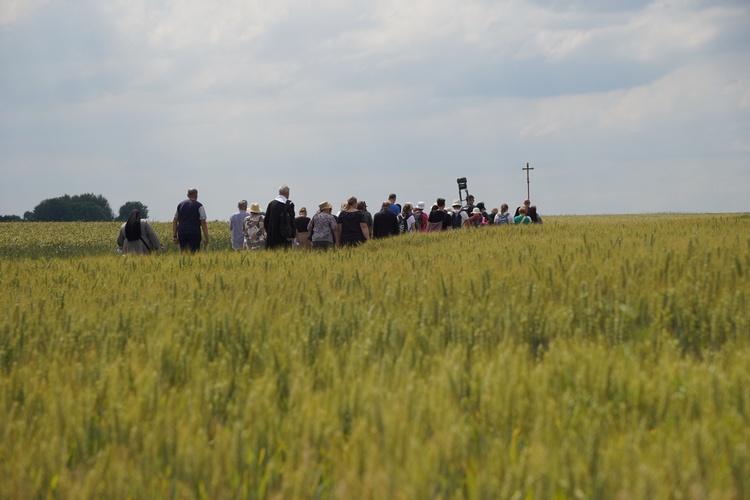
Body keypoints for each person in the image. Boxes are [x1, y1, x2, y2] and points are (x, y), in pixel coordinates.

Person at [172, 188, 209, 253]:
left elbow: (175, 221)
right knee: (194, 253)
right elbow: (203, 222)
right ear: (196, 195)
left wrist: (174, 236)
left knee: (184, 252)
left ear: (188, 195)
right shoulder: (199, 205)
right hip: (194, 232)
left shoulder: (180, 205)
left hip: (182, 232)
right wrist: (207, 237)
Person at [264, 185, 296, 249]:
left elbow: (266, 221)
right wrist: (292, 235)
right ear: (287, 193)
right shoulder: (289, 204)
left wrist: (270, 233)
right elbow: (291, 220)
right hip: (284, 237)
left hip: (272, 238)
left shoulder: (271, 204)